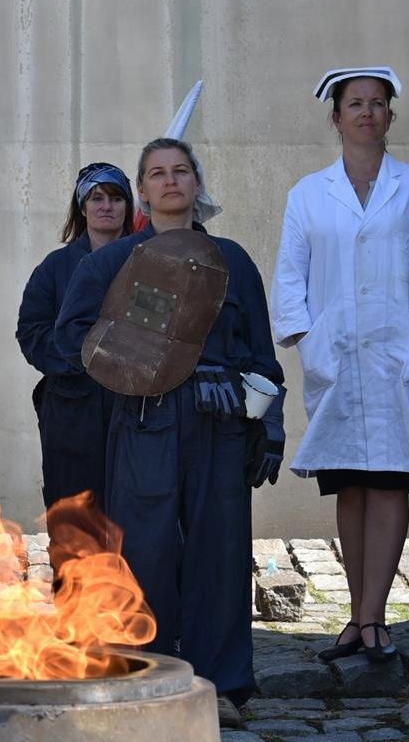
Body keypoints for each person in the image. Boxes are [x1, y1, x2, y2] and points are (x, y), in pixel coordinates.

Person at [53, 137, 284, 710]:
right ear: (144, 190)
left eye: (181, 170)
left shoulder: (233, 261)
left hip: (220, 419)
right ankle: (146, 678)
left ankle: (221, 687)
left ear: (197, 184)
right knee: (143, 553)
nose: (171, 180)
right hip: (144, 421)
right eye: (157, 173)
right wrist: (133, 357)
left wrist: (269, 425)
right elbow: (71, 336)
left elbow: (262, 352)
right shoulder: (110, 262)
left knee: (220, 551)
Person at [272, 66, 409, 664]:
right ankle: (357, 618)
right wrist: (310, 342)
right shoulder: (308, 194)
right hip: (337, 359)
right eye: (354, 104)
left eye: (377, 104)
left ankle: (375, 618)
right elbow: (290, 278)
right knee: (350, 486)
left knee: (390, 480)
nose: (366, 113)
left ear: (389, 116)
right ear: (336, 118)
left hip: (397, 358)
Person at [15, 163, 134, 508]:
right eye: (97, 198)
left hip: (132, 406)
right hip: (70, 409)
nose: (106, 206)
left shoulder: (147, 262)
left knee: (132, 509)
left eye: (115, 198)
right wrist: (85, 356)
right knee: (74, 512)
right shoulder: (54, 268)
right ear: (82, 207)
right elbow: (31, 332)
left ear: (128, 207)